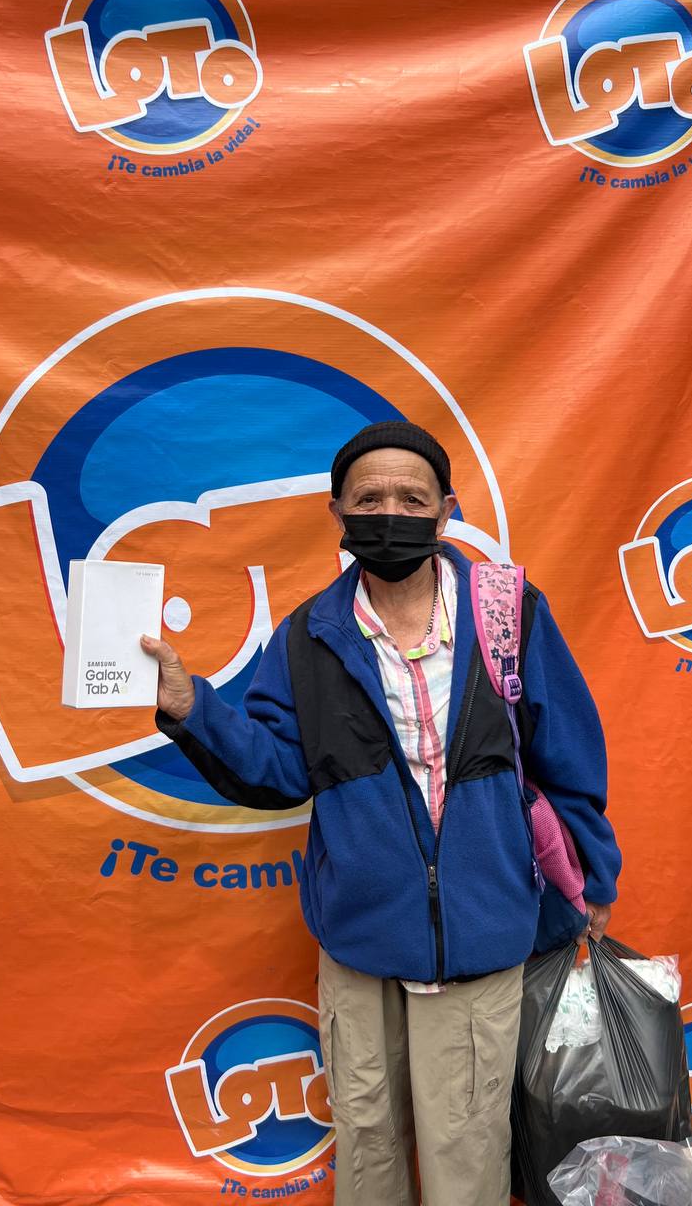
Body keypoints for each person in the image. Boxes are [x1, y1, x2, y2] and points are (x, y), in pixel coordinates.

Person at [141, 421, 621, 1206]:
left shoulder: (507, 612)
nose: (389, 513)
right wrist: (193, 707)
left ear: (445, 509)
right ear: (336, 512)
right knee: (366, 1143)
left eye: (410, 498)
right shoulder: (308, 638)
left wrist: (593, 876)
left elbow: (567, 750)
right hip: (360, 940)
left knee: (466, 1149)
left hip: (482, 933)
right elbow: (278, 772)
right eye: (368, 499)